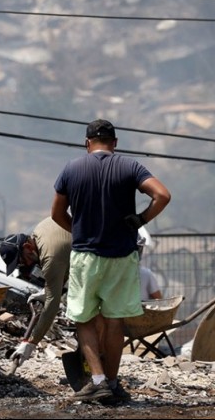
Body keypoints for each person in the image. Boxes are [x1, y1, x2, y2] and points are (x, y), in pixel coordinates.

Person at [51, 119, 171, 403]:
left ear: (87, 143)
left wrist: (79, 231)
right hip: (122, 257)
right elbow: (163, 195)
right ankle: (114, 383)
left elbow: (56, 214)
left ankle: (98, 380)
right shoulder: (130, 167)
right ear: (115, 143)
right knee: (116, 322)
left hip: (86, 257)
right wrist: (141, 219)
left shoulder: (72, 168)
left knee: (84, 319)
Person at [0, 216, 72, 365]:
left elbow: (52, 306)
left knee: (84, 316)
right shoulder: (39, 231)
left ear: (27, 247)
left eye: (22, 261)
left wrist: (31, 342)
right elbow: (64, 263)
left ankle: (100, 371)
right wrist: (48, 291)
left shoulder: (49, 257)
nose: (25, 265)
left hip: (103, 259)